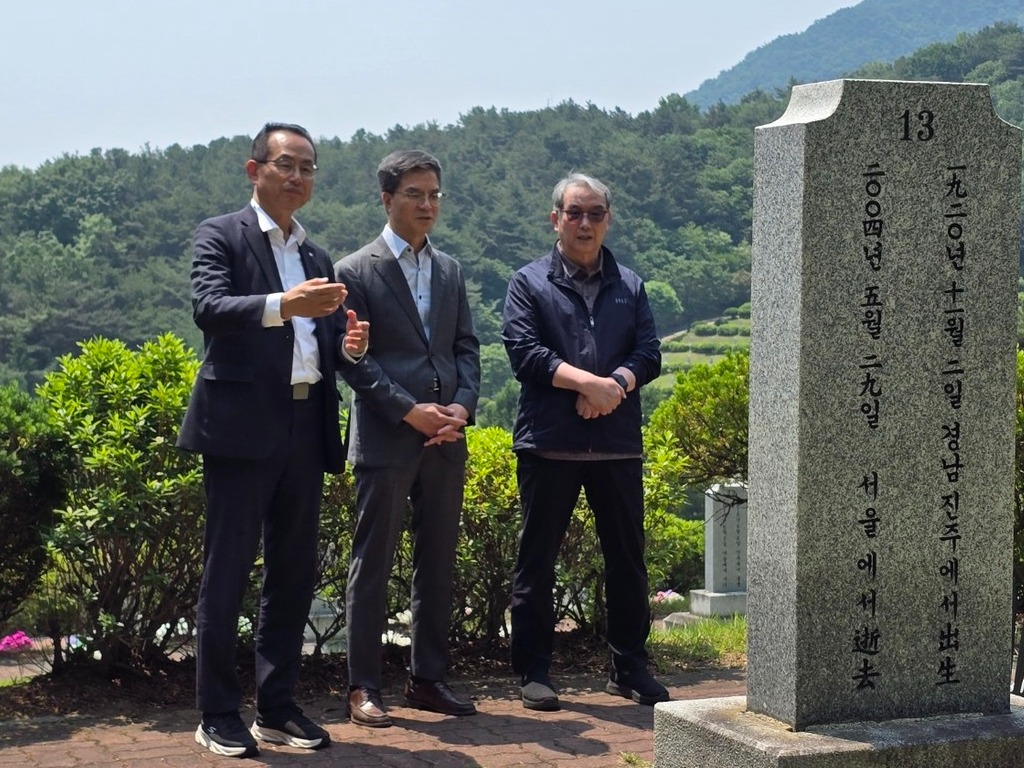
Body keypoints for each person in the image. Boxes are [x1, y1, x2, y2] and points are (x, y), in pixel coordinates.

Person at [177, 122, 369, 758]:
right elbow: (209, 308)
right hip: (239, 429)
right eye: (286, 164)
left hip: (304, 425)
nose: (298, 176)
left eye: (308, 167)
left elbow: (320, 345)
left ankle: (277, 707)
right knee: (226, 572)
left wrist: (347, 344)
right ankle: (216, 712)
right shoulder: (221, 234)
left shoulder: (316, 256)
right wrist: (284, 305)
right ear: (253, 169)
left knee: (292, 574)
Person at [501, 172, 669, 712]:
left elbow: (649, 354)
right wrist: (586, 383)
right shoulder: (529, 283)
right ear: (556, 219)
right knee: (537, 560)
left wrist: (614, 385)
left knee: (627, 561)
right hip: (550, 443)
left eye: (595, 213)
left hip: (616, 444)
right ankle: (533, 671)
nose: (585, 223)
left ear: (608, 220)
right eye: (574, 212)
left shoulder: (631, 285)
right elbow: (524, 352)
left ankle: (629, 666)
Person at [334, 149, 481, 728]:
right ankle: (362, 687)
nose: (427, 205)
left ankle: (428, 679)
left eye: (435, 195)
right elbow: (353, 362)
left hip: (446, 437)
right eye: (415, 194)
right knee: (372, 563)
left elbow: (465, 348)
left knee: (437, 561)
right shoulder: (355, 270)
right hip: (387, 438)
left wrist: (461, 409)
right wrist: (408, 411)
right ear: (387, 199)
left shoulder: (450, 270)